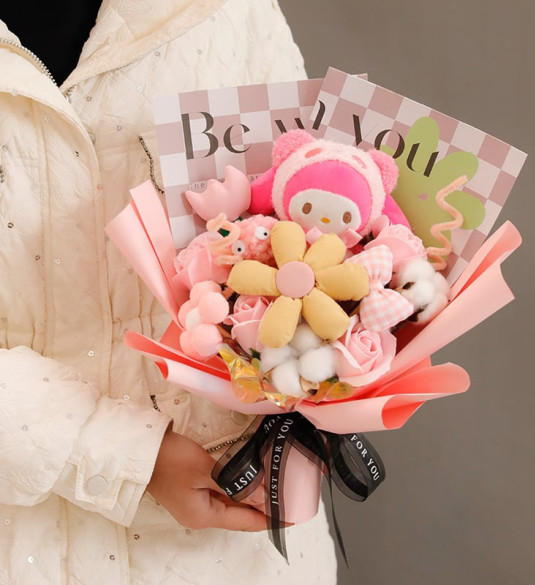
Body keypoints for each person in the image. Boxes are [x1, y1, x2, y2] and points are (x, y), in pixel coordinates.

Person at [0, 1, 338, 583]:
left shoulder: (227, 12)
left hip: (230, 554)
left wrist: (325, 385)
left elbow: (318, 216)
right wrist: (128, 457)